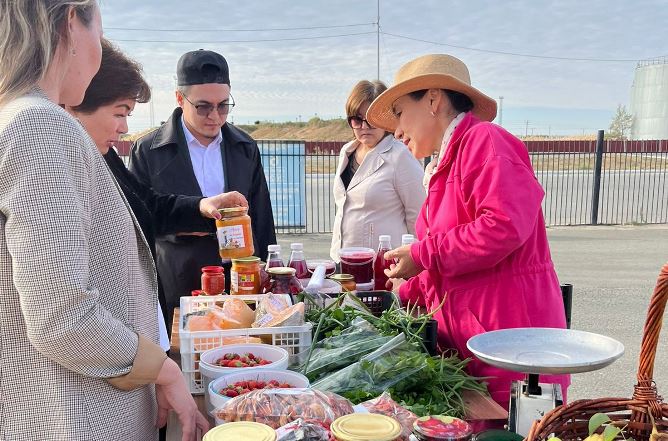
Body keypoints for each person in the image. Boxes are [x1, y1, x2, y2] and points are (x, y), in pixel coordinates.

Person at [0, 2, 207, 440]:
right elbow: (61, 314)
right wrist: (164, 371)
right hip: (78, 417)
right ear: (72, 21)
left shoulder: (20, 117)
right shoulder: (40, 124)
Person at [366, 54, 570, 409]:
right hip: (476, 345)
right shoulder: (444, 164)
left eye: (399, 113)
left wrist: (420, 255)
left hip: (511, 347)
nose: (396, 131)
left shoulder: (485, 141)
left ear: (432, 100)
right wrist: (406, 289)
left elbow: (502, 226)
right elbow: (451, 263)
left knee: (515, 428)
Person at [67, 39, 248, 337]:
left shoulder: (102, 152)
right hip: (133, 312)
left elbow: (147, 205)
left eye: (223, 106)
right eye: (119, 113)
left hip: (143, 315)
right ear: (75, 103)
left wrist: (201, 206)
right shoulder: (133, 150)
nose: (124, 127)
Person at [129, 49, 276, 319]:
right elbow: (137, 225)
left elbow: (261, 215)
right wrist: (186, 225)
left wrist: (267, 267)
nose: (215, 116)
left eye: (223, 105)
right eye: (203, 106)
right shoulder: (148, 150)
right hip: (178, 280)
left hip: (240, 283)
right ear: (178, 98)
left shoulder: (244, 147)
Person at [330, 80, 425, 263]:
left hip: (382, 266)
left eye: (372, 120)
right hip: (342, 262)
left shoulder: (400, 156)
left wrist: (413, 262)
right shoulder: (346, 152)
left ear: (386, 119)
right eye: (357, 120)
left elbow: (419, 218)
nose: (364, 127)